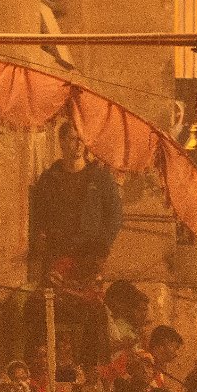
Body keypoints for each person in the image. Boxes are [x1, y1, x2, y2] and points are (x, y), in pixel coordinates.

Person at [28, 120, 124, 284]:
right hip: (57, 254)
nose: (79, 145)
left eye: (82, 139)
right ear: (62, 142)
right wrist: (40, 239)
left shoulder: (100, 177)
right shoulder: (49, 179)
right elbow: (38, 215)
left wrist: (102, 247)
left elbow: (115, 216)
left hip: (89, 256)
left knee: (87, 297)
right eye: (73, 139)